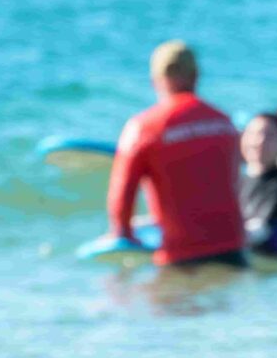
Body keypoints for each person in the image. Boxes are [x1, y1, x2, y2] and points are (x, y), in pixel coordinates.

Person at [105, 41, 247, 268]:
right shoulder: (224, 123)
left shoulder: (143, 127)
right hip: (234, 247)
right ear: (196, 76)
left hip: (181, 253)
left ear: (155, 79)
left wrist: (123, 233)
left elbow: (123, 193)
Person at [239, 114, 277, 258]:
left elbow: (260, 230)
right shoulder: (234, 181)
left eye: (269, 136)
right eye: (253, 134)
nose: (259, 141)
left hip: (272, 263)